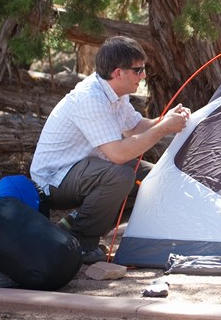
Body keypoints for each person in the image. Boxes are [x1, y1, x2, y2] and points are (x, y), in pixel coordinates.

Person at [30, 36, 190, 264]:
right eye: (138, 70)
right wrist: (164, 128)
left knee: (156, 177)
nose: (143, 75)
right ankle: (81, 242)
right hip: (54, 180)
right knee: (121, 175)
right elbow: (118, 154)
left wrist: (167, 120)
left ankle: (76, 223)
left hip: (87, 168)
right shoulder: (90, 98)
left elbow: (134, 126)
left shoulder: (115, 92)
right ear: (118, 73)